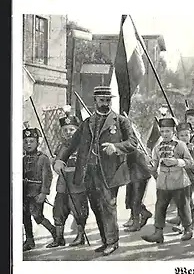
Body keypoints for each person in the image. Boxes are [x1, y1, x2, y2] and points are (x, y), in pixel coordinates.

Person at [53, 86, 138, 256]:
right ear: (95, 101)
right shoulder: (87, 123)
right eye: (102, 100)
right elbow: (72, 144)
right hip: (89, 173)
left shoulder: (121, 121)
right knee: (96, 207)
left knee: (108, 206)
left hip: (110, 172)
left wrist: (116, 147)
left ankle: (112, 242)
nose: (105, 104)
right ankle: (105, 240)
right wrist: (61, 159)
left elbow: (133, 143)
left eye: (108, 100)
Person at [142, 117, 194, 243]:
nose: (165, 134)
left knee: (183, 206)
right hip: (163, 182)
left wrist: (176, 161)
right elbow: (154, 166)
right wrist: (150, 166)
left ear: (173, 132)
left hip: (179, 181)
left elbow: (190, 162)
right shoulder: (157, 147)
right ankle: (158, 233)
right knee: (160, 207)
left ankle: (188, 229)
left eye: (168, 131)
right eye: (163, 131)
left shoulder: (180, 145)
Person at [47, 106, 89, 248]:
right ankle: (59, 238)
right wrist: (54, 163)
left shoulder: (83, 146)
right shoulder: (60, 147)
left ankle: (80, 236)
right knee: (59, 208)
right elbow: (56, 166)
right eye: (65, 130)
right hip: (62, 183)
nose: (68, 132)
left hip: (77, 182)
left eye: (71, 129)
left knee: (78, 209)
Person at [22, 125, 56, 251]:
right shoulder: (23, 159)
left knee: (37, 216)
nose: (28, 144)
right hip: (24, 192)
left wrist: (43, 193)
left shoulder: (43, 158)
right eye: (25, 142)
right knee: (25, 216)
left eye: (31, 141)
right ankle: (29, 241)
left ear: (37, 142)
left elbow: (48, 177)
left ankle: (54, 232)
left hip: (36, 192)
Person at [172, 122, 194, 232]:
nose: (184, 137)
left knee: (185, 200)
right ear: (177, 136)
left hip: (191, 178)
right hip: (178, 177)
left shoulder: (193, 149)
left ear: (190, 135)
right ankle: (192, 221)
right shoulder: (174, 148)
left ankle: (186, 223)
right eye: (182, 135)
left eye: (187, 135)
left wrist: (190, 164)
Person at [123, 148, 153, 232]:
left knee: (136, 200)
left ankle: (136, 224)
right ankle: (143, 213)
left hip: (139, 176)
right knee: (132, 199)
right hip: (133, 175)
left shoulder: (137, 148)